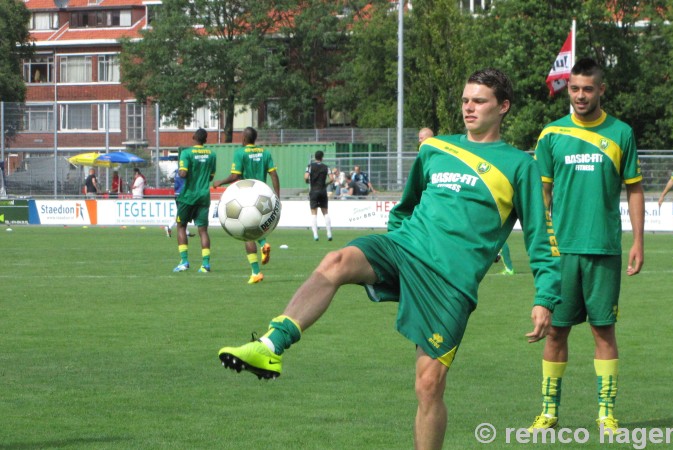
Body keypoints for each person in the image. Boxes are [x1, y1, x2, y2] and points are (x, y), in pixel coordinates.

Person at [218, 68, 561, 450]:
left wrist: (544, 297)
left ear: (503, 107)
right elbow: (406, 205)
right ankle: (270, 346)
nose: (469, 107)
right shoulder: (436, 149)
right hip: (405, 249)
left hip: (449, 284)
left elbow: (541, 239)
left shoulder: (520, 166)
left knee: (428, 386)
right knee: (337, 260)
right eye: (465, 100)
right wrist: (399, 238)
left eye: (479, 101)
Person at [530, 58, 644, 435]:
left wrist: (638, 241)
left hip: (604, 248)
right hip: (561, 252)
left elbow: (634, 189)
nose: (580, 96)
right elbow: (541, 194)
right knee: (556, 332)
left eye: (588, 89)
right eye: (574, 89)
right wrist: (544, 243)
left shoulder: (621, 133)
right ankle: (549, 412)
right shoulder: (550, 134)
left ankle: (606, 414)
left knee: (603, 331)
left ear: (601, 90)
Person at [212, 127, 280, 284]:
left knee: (246, 232)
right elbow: (274, 174)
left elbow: (235, 176)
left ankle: (256, 272)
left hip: (246, 198)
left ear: (243, 138)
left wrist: (220, 182)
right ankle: (263, 243)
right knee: (257, 227)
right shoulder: (265, 152)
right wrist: (276, 197)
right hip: (262, 198)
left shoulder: (240, 153)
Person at [173, 128, 217, 273]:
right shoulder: (212, 155)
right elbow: (211, 177)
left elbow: (183, 173)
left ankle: (184, 262)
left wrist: (180, 171)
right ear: (206, 139)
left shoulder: (186, 153)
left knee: (181, 226)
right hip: (204, 196)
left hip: (188, 196)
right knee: (203, 231)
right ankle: (205, 264)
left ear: (193, 137)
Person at [304, 150, 334, 242]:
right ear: (322, 157)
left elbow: (306, 177)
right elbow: (332, 179)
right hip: (322, 190)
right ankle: (329, 233)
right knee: (325, 212)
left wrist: (308, 181)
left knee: (314, 213)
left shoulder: (310, 166)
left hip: (313, 191)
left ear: (315, 157)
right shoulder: (326, 167)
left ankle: (315, 235)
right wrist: (326, 184)